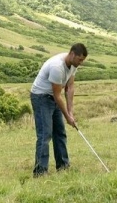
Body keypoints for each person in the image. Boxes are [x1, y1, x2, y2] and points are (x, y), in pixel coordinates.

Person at [30, 43, 88, 177]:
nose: (81, 63)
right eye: (80, 60)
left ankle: (63, 167)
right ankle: (40, 172)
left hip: (53, 97)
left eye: (83, 60)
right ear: (72, 54)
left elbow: (70, 88)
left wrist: (70, 112)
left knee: (60, 132)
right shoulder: (57, 67)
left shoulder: (73, 65)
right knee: (45, 134)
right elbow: (57, 95)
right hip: (41, 97)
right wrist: (67, 116)